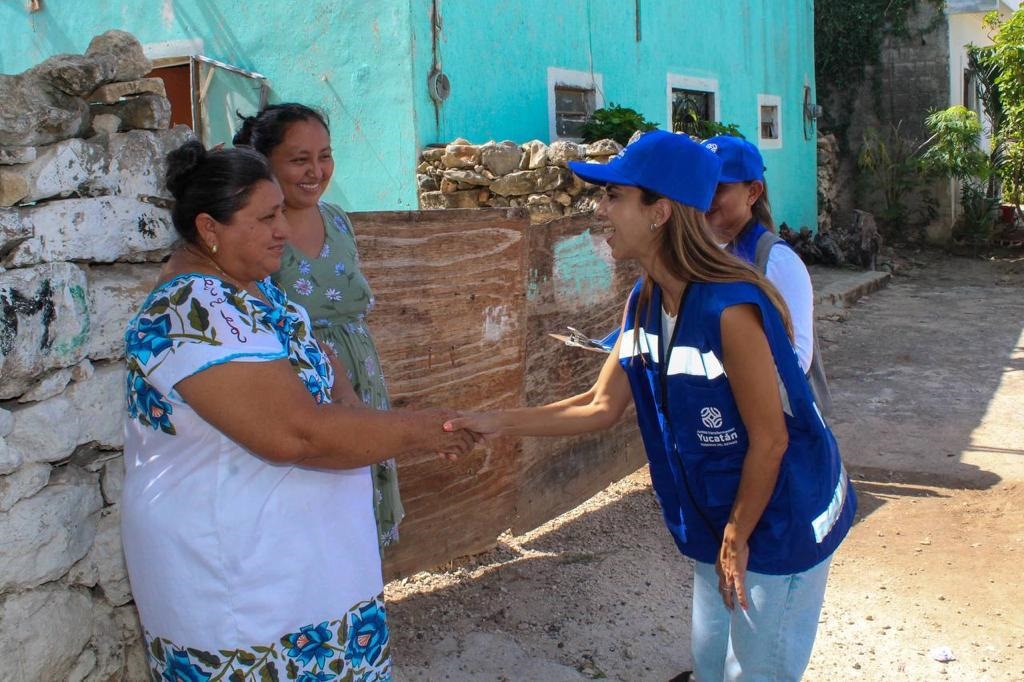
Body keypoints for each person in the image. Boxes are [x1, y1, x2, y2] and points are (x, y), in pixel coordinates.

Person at [446, 130, 856, 681]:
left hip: (778, 520)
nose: (599, 209)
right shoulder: (644, 300)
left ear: (660, 212)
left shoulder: (730, 309)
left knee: (757, 675)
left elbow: (773, 439)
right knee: (712, 667)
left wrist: (737, 538)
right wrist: (495, 422)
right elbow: (598, 405)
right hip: (723, 516)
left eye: (615, 197)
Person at [122, 141, 476, 681]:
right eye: (265, 217)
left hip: (304, 571)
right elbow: (298, 435)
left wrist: (356, 417)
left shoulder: (255, 292)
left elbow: (328, 376)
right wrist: (424, 429)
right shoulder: (193, 310)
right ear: (210, 229)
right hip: (242, 583)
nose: (283, 229)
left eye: (281, 212)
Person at [232, 103, 405, 549]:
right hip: (298, 385)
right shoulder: (252, 230)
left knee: (359, 511)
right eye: (298, 159)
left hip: (360, 374)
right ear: (265, 162)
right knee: (310, 520)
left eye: (323, 155)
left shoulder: (338, 220)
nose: (315, 170)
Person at [702, 134, 832, 415]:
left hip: (775, 422)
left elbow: (797, 359)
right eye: (700, 184)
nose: (706, 196)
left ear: (752, 192)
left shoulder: (777, 261)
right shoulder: (697, 257)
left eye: (719, 187)